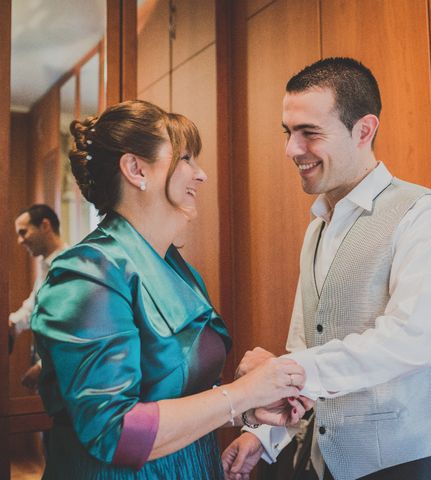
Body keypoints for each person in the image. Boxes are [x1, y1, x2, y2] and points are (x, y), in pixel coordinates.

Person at [222, 58, 431, 480]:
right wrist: (265, 438)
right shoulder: (317, 226)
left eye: (310, 133)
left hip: (416, 464)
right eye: (288, 133)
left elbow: (413, 340)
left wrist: (289, 373)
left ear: (364, 130)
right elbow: (306, 344)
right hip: (326, 464)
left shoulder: (424, 214)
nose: (291, 149)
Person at [30, 100, 307, 479]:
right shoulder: (86, 272)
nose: (201, 175)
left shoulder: (181, 270)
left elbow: (176, 396)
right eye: (186, 158)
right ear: (135, 169)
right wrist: (243, 394)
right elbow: (114, 430)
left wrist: (249, 408)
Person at [9, 204, 66, 388]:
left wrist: (43, 366)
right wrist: (11, 324)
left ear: (45, 225)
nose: (20, 240)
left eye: (23, 232)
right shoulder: (45, 266)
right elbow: (34, 307)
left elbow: (69, 326)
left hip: (62, 372)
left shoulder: (68, 265)